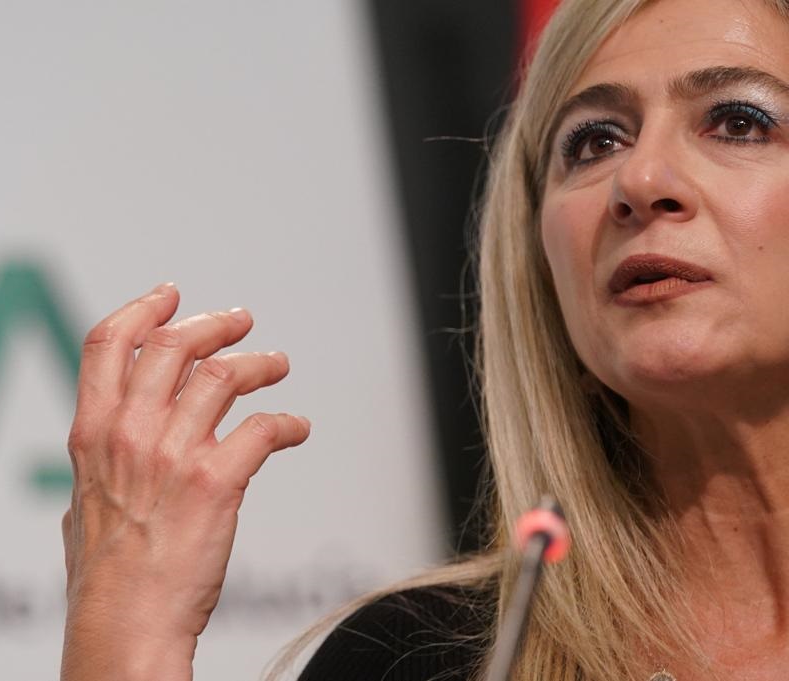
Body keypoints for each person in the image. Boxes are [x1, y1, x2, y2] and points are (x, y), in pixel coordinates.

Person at [58, 0, 789, 678]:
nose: (640, 177)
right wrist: (129, 625)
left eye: (739, 123)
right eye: (594, 141)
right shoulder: (412, 658)